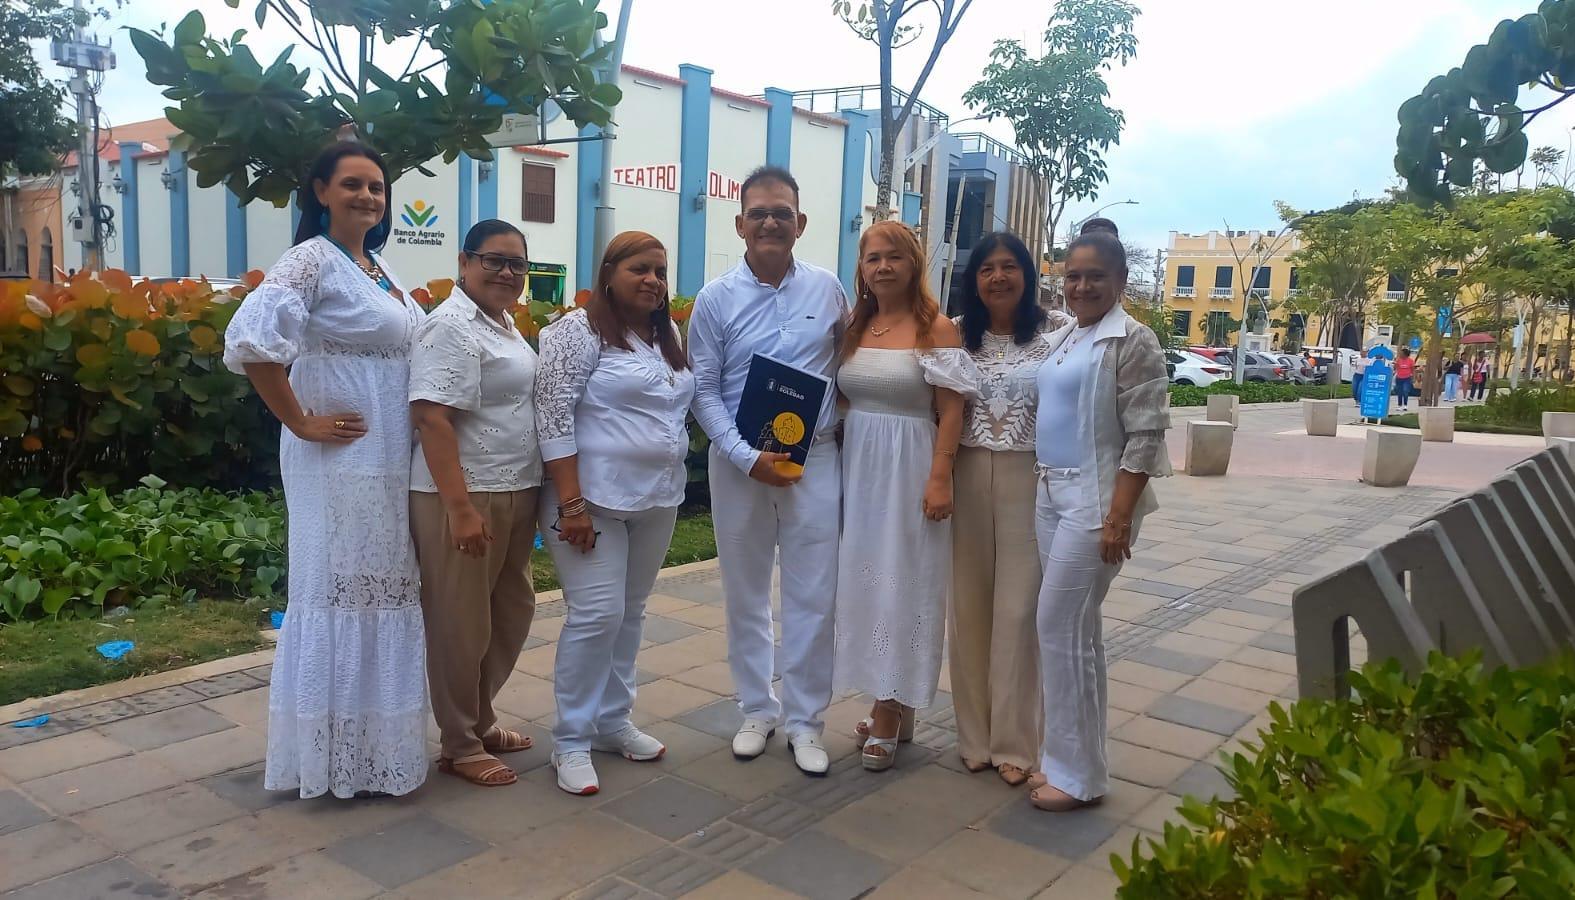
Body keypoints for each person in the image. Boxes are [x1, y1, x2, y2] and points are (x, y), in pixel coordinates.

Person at [223, 141, 429, 799]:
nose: (367, 196)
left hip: (387, 457)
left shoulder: (377, 267)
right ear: (320, 191)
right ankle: (329, 757)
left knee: (383, 589)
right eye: (352, 185)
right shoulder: (309, 260)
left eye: (376, 186)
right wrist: (298, 420)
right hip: (336, 461)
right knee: (338, 592)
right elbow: (254, 344)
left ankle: (372, 752)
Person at [688, 166, 849, 776]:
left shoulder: (829, 290)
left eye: (782, 212)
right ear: (740, 224)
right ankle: (758, 708)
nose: (770, 222)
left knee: (813, 594)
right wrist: (743, 455)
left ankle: (807, 723)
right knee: (746, 594)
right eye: (758, 213)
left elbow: (846, 366)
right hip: (741, 465)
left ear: (801, 223)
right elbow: (701, 389)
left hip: (815, 461)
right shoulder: (714, 299)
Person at [534, 231, 695, 796]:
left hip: (657, 498)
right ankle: (571, 740)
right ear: (608, 273)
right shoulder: (575, 331)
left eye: (660, 271)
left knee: (630, 611)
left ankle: (611, 721)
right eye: (640, 269)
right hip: (590, 502)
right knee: (596, 613)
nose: (653, 280)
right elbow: (552, 416)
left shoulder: (665, 333)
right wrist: (571, 502)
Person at [1025, 231, 1171, 812]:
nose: (1082, 286)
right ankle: (1073, 764)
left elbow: (1146, 433)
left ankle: (1077, 776)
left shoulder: (1134, 340)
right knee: (1076, 634)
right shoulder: (1066, 336)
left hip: (1097, 505)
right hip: (1050, 494)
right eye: (1073, 276)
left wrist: (1119, 515)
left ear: (1120, 282)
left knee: (1058, 628)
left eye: (1095, 277)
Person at [835, 220, 979, 772]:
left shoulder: (936, 328)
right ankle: (885, 694)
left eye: (894, 256)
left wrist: (939, 478)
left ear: (914, 263)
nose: (883, 267)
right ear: (862, 268)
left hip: (912, 464)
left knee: (904, 583)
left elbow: (952, 409)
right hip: (860, 468)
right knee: (867, 583)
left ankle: (891, 709)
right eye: (873, 258)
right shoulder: (855, 325)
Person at [408, 220, 541, 788]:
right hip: (465, 493)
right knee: (461, 623)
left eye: (517, 264)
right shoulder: (451, 326)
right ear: (465, 262)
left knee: (510, 611)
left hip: (515, 487)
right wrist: (459, 508)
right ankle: (459, 743)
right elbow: (432, 416)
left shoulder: (504, 324)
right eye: (494, 260)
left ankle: (481, 718)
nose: (507, 273)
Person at [945, 232, 1068, 786]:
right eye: (987, 268)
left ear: (1027, 274)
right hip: (965, 472)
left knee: (1020, 612)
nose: (998, 277)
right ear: (973, 280)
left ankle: (1015, 741)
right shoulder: (954, 336)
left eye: (1009, 266)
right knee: (968, 608)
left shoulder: (1058, 334)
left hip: (1031, 475)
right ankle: (973, 737)